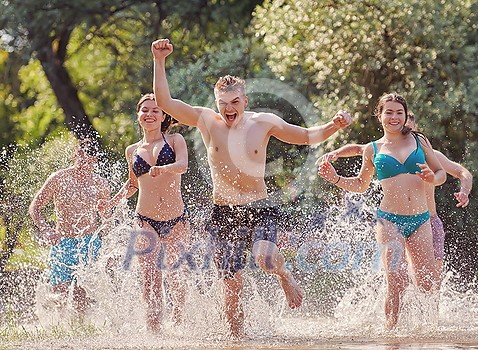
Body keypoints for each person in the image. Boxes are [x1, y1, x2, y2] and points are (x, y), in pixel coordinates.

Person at [151, 38, 353, 337]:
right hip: (223, 211)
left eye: (235, 102)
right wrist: (159, 60)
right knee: (232, 287)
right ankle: (238, 339)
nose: (229, 108)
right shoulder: (206, 121)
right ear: (216, 103)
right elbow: (166, 103)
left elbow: (309, 136)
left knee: (266, 258)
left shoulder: (264, 123)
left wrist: (335, 125)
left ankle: (285, 276)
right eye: (223, 103)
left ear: (245, 101)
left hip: (259, 207)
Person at [318, 93, 446, 329]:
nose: (394, 117)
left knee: (426, 284)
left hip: (420, 220)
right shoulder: (372, 149)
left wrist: (432, 177)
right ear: (380, 116)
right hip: (389, 221)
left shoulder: (420, 142)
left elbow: (441, 174)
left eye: (399, 112)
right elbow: (360, 184)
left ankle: (425, 333)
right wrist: (335, 178)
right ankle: (391, 335)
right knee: (396, 283)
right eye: (389, 112)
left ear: (406, 115)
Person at [320, 112, 473, 279]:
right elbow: (358, 148)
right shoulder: (383, 149)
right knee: (400, 279)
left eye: (408, 129)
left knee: (431, 281)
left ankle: (426, 304)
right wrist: (335, 154)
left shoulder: (430, 154)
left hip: (428, 221)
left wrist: (464, 191)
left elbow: (462, 172)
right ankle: (399, 302)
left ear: (415, 130)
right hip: (396, 219)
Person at [97, 93, 190, 333]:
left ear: (163, 116)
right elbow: (133, 184)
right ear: (138, 116)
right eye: (145, 110)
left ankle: (179, 324)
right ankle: (154, 332)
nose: (149, 114)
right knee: (150, 278)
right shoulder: (132, 150)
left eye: (155, 110)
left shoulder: (175, 140)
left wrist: (164, 168)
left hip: (176, 219)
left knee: (175, 277)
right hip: (144, 219)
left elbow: (182, 166)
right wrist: (112, 202)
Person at [29, 138, 111, 315]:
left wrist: (110, 247)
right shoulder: (59, 178)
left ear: (96, 159)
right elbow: (35, 206)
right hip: (63, 242)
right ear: (74, 154)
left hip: (89, 243)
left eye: (89, 156)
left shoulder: (100, 184)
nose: (84, 159)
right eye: (80, 154)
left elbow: (107, 219)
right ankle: (60, 330)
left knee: (81, 295)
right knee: (60, 293)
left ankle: (82, 332)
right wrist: (45, 229)